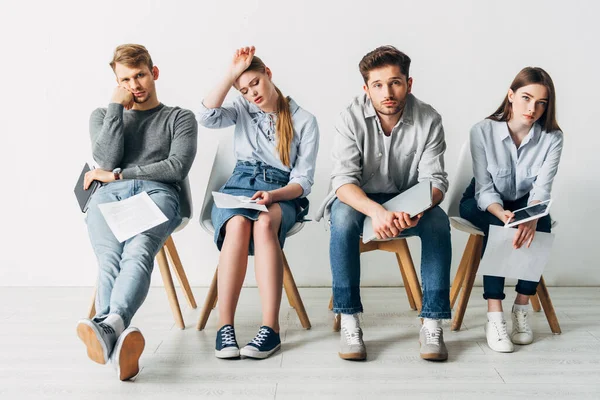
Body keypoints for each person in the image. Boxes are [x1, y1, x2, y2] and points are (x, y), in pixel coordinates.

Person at [316, 45, 452, 361]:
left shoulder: (429, 119)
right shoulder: (349, 118)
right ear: (366, 88)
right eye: (377, 85)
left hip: (408, 200)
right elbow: (342, 182)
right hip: (359, 200)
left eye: (395, 82)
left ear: (409, 83)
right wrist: (377, 211)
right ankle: (349, 320)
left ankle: (431, 323)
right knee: (344, 218)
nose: (387, 92)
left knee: (438, 222)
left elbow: (435, 182)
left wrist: (413, 209)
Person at [76, 44, 198, 380]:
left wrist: (119, 175)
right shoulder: (103, 116)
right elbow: (106, 159)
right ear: (117, 82)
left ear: (153, 72)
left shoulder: (179, 117)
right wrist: (116, 105)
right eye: (125, 80)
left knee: (139, 248)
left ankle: (109, 326)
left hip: (158, 194)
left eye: (140, 75)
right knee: (108, 256)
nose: (135, 85)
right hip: (109, 198)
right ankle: (115, 333)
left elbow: (175, 168)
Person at [197, 46, 319, 360]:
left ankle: (271, 329)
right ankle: (225, 328)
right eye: (244, 89)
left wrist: (273, 196)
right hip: (238, 184)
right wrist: (231, 74)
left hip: (281, 191)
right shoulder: (242, 108)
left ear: (269, 75)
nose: (252, 93)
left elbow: (302, 182)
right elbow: (206, 115)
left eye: (255, 83)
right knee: (237, 224)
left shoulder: (304, 120)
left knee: (264, 224)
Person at [459, 67, 563, 353]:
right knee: (499, 230)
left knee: (541, 226)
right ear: (511, 95)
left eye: (541, 102)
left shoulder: (552, 138)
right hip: (482, 200)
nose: (533, 108)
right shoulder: (482, 131)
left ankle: (521, 307)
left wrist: (531, 217)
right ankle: (495, 315)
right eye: (526, 98)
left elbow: (542, 189)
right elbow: (484, 189)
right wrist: (502, 214)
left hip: (525, 202)